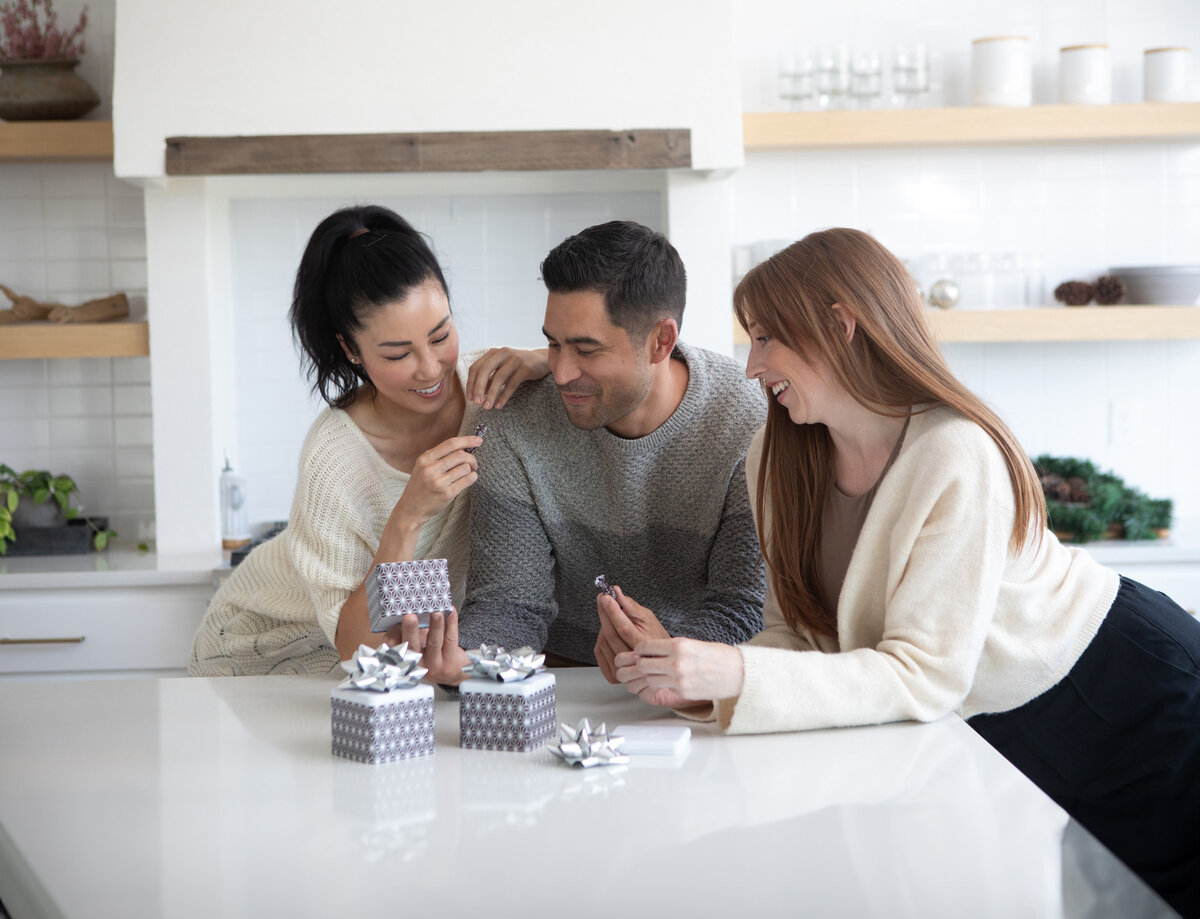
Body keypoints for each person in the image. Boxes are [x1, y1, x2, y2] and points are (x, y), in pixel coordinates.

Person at [606, 227, 1200, 918]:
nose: (750, 366)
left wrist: (733, 675)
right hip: (1001, 718)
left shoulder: (955, 452)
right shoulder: (775, 456)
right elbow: (798, 637)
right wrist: (697, 684)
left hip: (1132, 688)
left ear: (840, 326)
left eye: (767, 337)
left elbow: (924, 670)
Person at [189, 205, 548, 677]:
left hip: (399, 666)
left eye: (441, 336)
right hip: (273, 646)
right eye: (398, 354)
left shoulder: (494, 385)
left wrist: (547, 360)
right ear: (350, 350)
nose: (430, 368)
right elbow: (356, 648)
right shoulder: (334, 455)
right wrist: (408, 514)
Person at [405, 220, 767, 683]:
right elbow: (510, 603)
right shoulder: (512, 416)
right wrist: (474, 660)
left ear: (661, 341)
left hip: (692, 684)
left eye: (586, 349)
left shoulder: (745, 420)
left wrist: (672, 656)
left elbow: (743, 607)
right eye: (553, 344)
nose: (559, 372)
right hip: (558, 681)